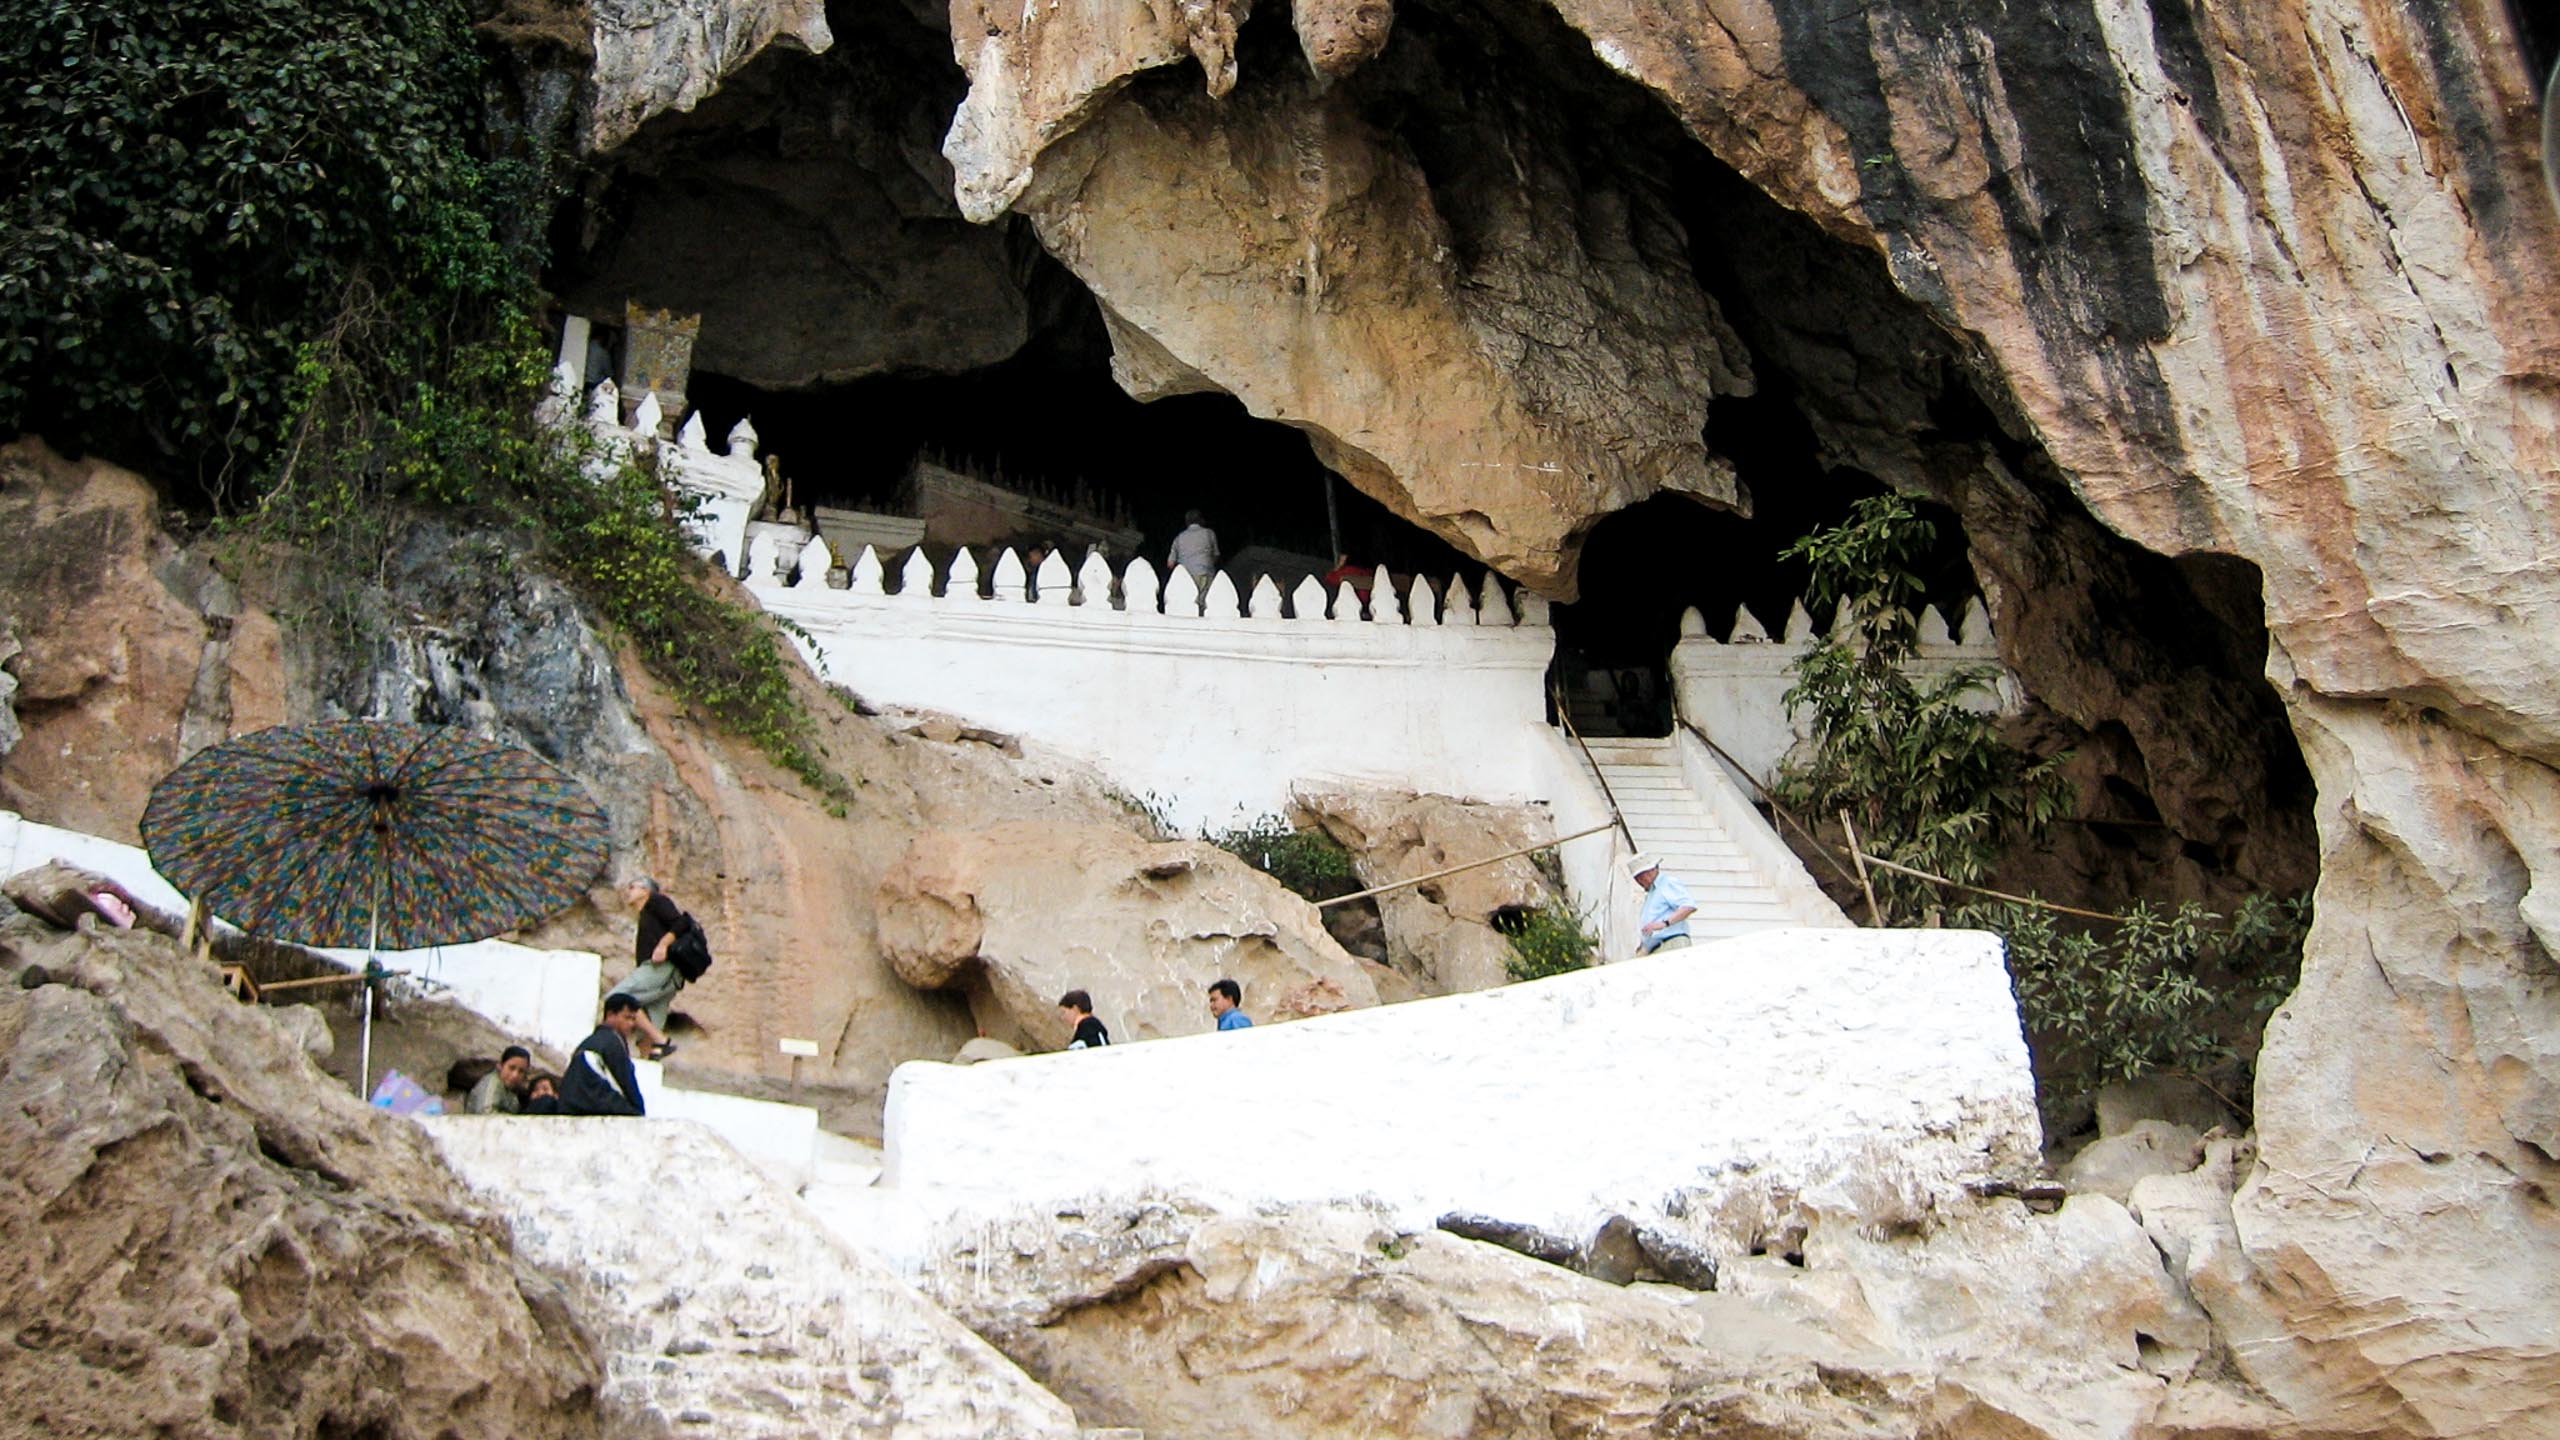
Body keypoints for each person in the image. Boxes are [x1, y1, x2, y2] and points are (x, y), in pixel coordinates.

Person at [613, 876, 687, 1060]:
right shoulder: (647, 912)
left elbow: (682, 923)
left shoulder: (656, 901)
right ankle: (649, 1060)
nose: (628, 891)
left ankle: (661, 1040)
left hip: (660, 968)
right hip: (669, 975)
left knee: (618, 999)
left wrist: (662, 946)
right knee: (648, 1028)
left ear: (646, 890)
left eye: (632, 887)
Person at [559, 994, 648, 1116]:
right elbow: (626, 1081)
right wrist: (639, 1111)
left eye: (633, 1019)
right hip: (596, 1103)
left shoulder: (588, 1042)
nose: (631, 1024)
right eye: (627, 1018)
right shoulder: (612, 1041)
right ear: (610, 1015)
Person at [1629, 853, 1696, 954]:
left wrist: (1664, 923)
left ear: (1651, 871)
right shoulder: (1652, 892)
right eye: (1637, 879)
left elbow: (1688, 906)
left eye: (1641, 877)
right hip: (1656, 948)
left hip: (1672, 943)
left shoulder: (1667, 883)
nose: (1639, 882)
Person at [466, 1046, 532, 1114]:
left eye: (521, 1071)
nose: (515, 1075)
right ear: (500, 1066)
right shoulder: (492, 1083)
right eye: (511, 1068)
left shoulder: (512, 1090)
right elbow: (487, 1114)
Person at [1166, 510, 1219, 587]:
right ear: (1201, 520)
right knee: (1205, 598)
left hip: (1186, 578)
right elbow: (1216, 555)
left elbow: (1170, 564)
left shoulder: (1179, 538)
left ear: (1186, 522)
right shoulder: (1209, 533)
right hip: (1205, 575)